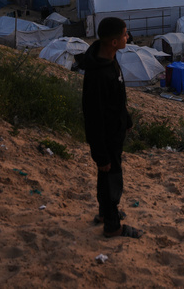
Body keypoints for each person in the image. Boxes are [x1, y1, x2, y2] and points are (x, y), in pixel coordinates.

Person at [79, 17, 143, 239]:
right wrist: (101, 153)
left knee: (106, 177)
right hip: (106, 139)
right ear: (114, 41)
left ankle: (105, 214)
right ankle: (113, 226)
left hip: (114, 133)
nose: (128, 36)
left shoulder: (110, 60)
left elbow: (117, 99)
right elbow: (93, 116)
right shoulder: (97, 74)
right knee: (111, 178)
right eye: (125, 34)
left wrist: (126, 120)